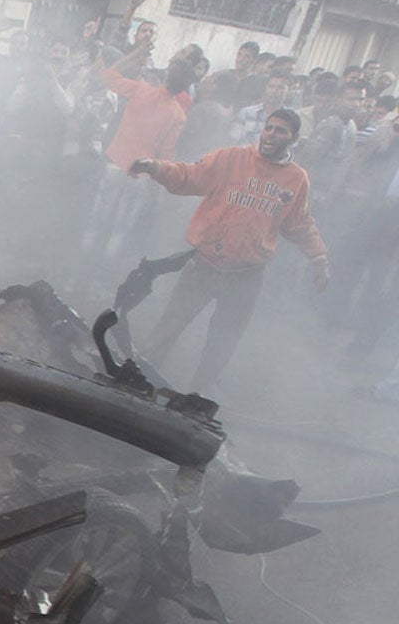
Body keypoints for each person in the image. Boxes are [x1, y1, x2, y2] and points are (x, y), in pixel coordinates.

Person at [131, 110, 329, 392]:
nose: (271, 134)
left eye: (280, 131)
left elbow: (299, 224)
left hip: (246, 276)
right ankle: (138, 380)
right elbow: (190, 176)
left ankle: (198, 398)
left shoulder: (297, 179)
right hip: (204, 264)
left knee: (222, 342)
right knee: (169, 327)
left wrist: (319, 258)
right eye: (269, 128)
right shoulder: (231, 159)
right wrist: (155, 167)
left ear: (294, 138)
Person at [82, 40, 193, 273]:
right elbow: (166, 156)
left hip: (115, 164)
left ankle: (79, 273)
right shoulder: (178, 115)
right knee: (120, 229)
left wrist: (136, 54)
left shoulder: (141, 90)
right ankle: (99, 278)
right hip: (140, 175)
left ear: (166, 76)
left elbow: (108, 75)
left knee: (97, 221)